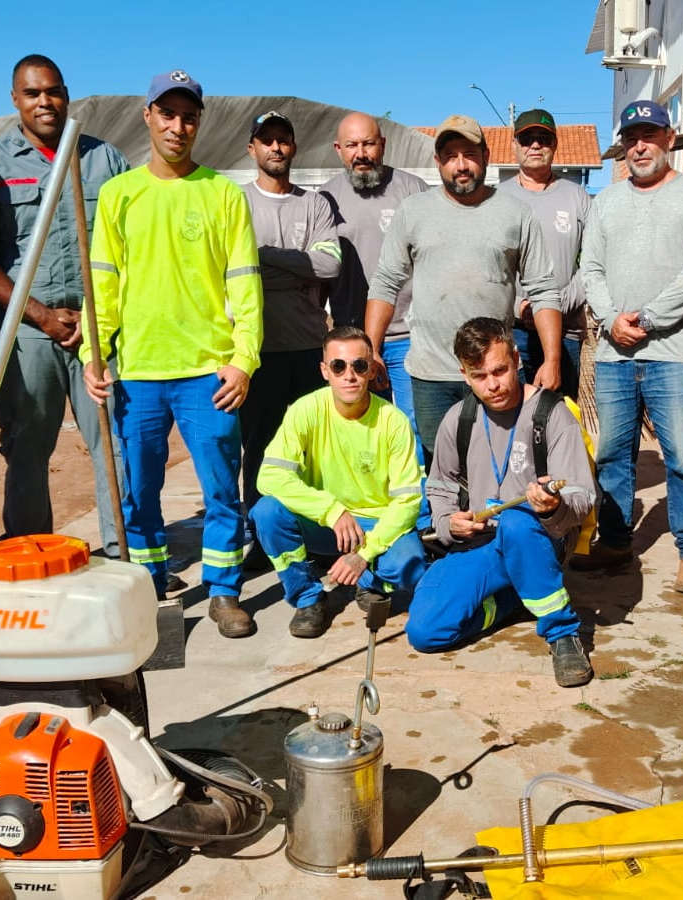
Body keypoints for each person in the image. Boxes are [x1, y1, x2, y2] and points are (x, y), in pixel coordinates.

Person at [82, 70, 263, 639]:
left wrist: (243, 359)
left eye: (188, 116)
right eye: (167, 113)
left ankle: (225, 592)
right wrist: (95, 350)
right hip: (137, 372)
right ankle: (152, 587)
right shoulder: (119, 194)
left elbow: (245, 285)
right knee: (140, 490)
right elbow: (102, 284)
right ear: (148, 116)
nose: (177, 126)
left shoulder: (221, 194)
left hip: (207, 372)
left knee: (219, 488)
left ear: (198, 122)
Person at [0, 55, 130, 559]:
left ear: (67, 93)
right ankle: (34, 553)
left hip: (100, 327)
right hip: (27, 330)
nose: (44, 101)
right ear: (15, 99)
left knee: (114, 442)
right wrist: (43, 317)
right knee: (28, 446)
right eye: (32, 94)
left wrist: (100, 319)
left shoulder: (103, 160)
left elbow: (129, 248)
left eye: (53, 91)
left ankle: (124, 553)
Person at [575, 99, 683, 595]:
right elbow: (589, 268)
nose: (641, 145)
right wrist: (613, 320)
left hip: (674, 350)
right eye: (632, 137)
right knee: (614, 453)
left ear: (669, 139)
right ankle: (614, 540)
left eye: (650, 135)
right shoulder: (607, 201)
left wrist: (650, 319)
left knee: (682, 454)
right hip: (616, 353)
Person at [407, 317, 595, 686]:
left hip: (540, 538)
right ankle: (512, 598)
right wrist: (448, 522)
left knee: (518, 520)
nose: (493, 385)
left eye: (500, 370)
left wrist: (553, 506)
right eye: (479, 376)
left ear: (516, 359)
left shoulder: (553, 415)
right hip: (483, 542)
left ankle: (562, 632)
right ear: (464, 374)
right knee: (426, 633)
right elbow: (441, 486)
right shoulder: (457, 419)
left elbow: (583, 496)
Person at [365, 114, 562, 461]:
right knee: (439, 465)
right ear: (437, 161)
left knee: (500, 463)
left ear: (486, 155)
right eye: (451, 156)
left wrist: (552, 358)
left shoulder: (516, 213)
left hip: (494, 374)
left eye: (469, 154)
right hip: (431, 373)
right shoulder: (413, 212)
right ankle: (444, 519)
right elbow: (385, 282)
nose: (461, 165)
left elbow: (544, 289)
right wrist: (373, 349)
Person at [253, 326, 426, 638]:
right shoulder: (305, 410)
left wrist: (364, 553)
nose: (350, 375)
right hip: (326, 525)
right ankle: (307, 597)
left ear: (373, 369)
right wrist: (331, 510)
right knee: (266, 512)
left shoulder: (394, 421)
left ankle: (368, 581)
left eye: (360, 366)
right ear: (324, 370)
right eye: (338, 366)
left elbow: (408, 502)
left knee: (410, 566)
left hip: (375, 524)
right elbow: (269, 476)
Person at [240, 111, 341, 547]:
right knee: (259, 449)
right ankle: (261, 538)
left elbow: (329, 265)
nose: (276, 147)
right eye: (267, 140)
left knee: (311, 447)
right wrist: (296, 267)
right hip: (254, 349)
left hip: (305, 345)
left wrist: (262, 258)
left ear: (294, 147)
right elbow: (229, 270)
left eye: (284, 140)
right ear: (253, 148)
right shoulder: (236, 201)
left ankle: (313, 535)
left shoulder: (314, 203)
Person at [320, 112, 429, 440]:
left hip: (407, 336)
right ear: (338, 148)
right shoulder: (324, 200)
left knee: (415, 427)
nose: (361, 153)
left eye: (369, 143)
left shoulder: (412, 190)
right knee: (362, 431)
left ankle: (418, 492)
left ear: (382, 145)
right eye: (352, 145)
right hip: (351, 341)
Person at [495, 109, 591, 399]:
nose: (535, 145)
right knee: (513, 419)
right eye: (527, 139)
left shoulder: (577, 197)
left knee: (562, 419)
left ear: (555, 145)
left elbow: (593, 263)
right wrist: (516, 306)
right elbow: (490, 267)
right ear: (515, 145)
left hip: (565, 332)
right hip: (513, 333)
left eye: (543, 139)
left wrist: (555, 305)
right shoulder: (497, 199)